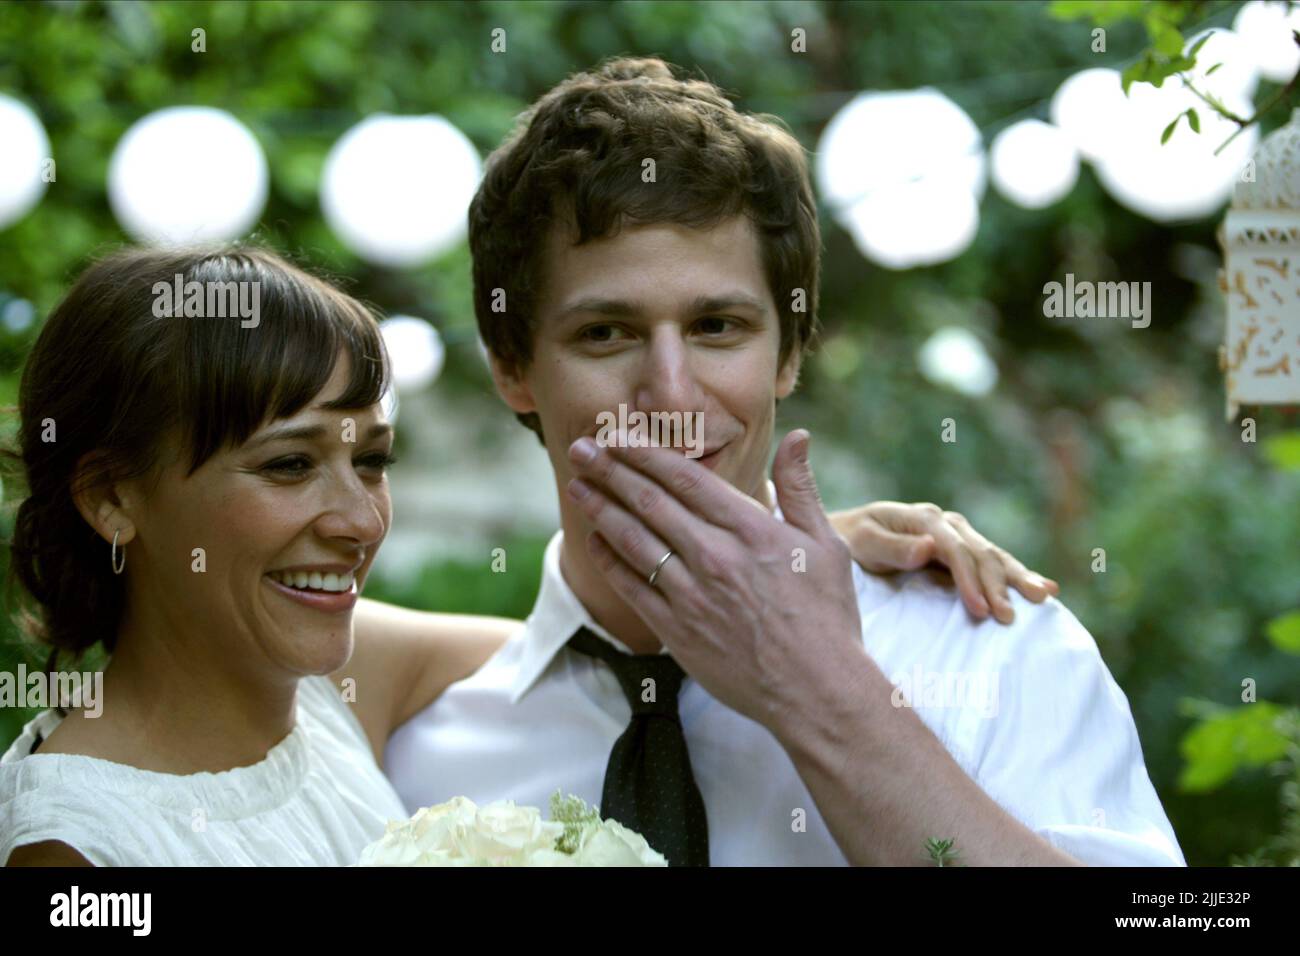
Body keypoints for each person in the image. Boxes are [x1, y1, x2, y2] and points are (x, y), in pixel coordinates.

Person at [382, 56, 1186, 866]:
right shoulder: (420, 758)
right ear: (512, 368)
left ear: (789, 353)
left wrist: (822, 691)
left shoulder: (995, 648)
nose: (669, 396)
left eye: (717, 327)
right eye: (605, 333)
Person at [1, 246, 1042, 866]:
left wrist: (796, 537)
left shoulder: (321, 681)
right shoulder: (73, 846)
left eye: (372, 457)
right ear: (111, 495)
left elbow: (591, 635)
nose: (357, 517)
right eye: (287, 465)